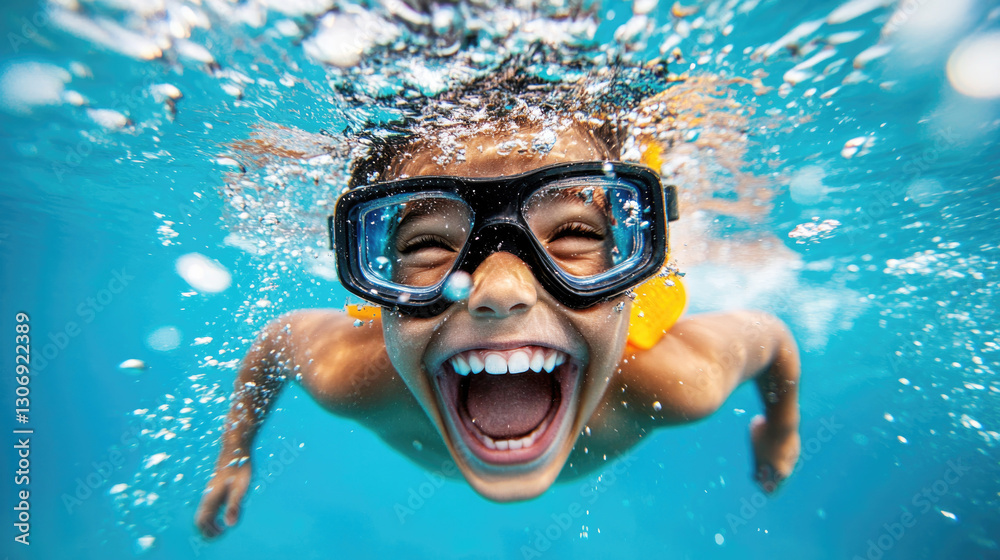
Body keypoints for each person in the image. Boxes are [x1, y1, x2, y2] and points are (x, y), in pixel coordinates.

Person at [194, 70, 802, 539]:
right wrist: (234, 454)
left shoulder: (674, 379)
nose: (501, 292)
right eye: (428, 244)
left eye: (577, 233)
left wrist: (782, 430)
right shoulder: (353, 375)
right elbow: (276, 344)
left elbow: (770, 338)